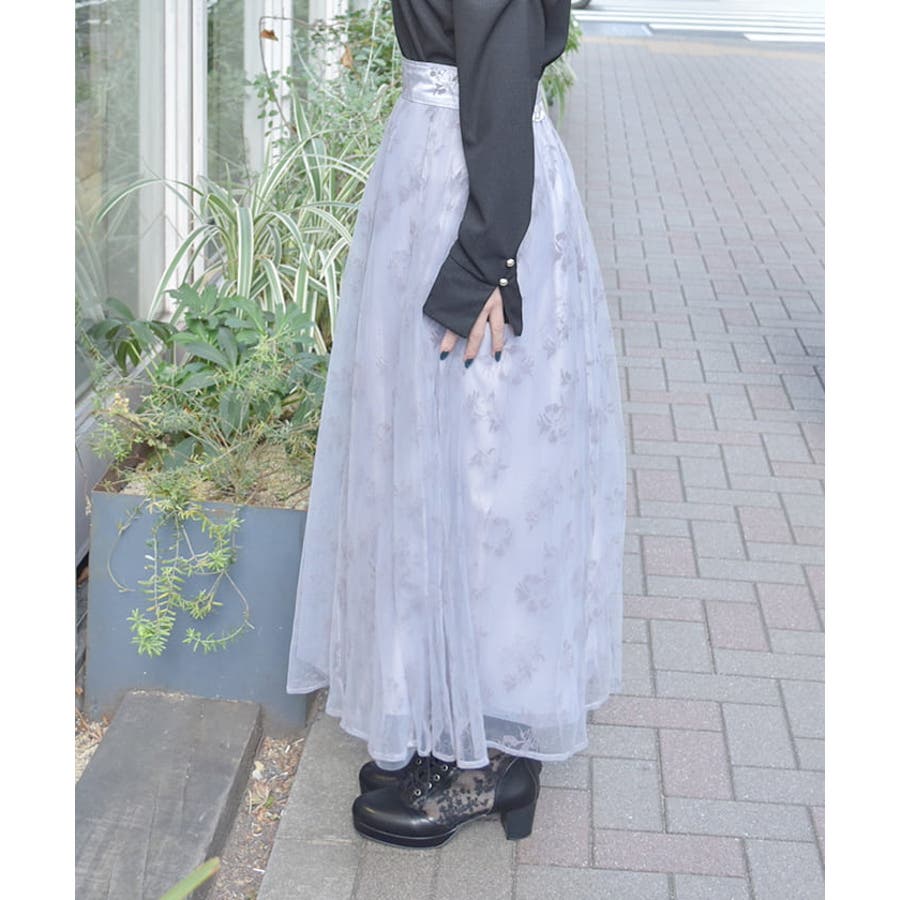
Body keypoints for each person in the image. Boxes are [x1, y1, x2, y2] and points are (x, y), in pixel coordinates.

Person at [285, 0, 626, 849]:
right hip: (445, 167)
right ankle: (448, 722)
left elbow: (501, 65)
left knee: (483, 471)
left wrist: (484, 264)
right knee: (441, 463)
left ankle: (491, 759)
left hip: (470, 187)